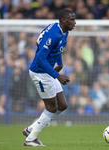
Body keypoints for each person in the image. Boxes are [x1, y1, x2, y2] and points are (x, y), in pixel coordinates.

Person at [23, 9, 76, 146]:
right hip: (40, 73)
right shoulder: (53, 34)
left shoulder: (63, 30)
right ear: (64, 20)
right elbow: (40, 58)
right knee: (52, 107)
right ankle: (30, 139)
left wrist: (60, 63)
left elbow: (58, 49)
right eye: (72, 19)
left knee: (62, 105)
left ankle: (32, 128)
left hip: (48, 72)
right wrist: (57, 75)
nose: (74, 22)